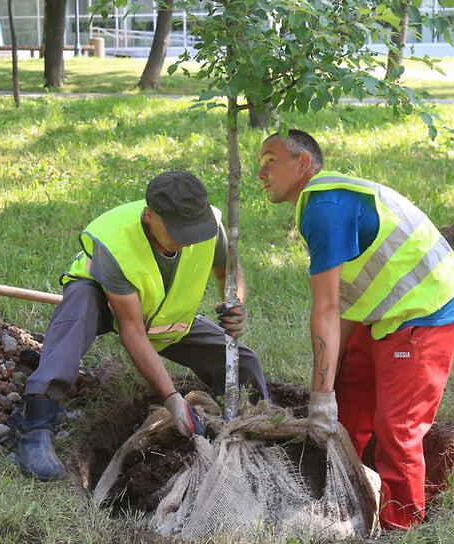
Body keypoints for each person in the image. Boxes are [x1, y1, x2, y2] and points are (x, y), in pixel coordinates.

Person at [257, 130, 454, 530]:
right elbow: (346, 297)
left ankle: (401, 526)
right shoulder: (321, 203)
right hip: (383, 312)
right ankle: (341, 497)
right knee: (350, 400)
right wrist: (330, 381)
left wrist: (319, 395)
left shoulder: (325, 208)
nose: (260, 172)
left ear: (303, 163)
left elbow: (326, 307)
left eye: (271, 160)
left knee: (397, 430)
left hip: (426, 312)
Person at [17, 170, 270, 481]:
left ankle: (256, 430)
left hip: (165, 317)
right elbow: (133, 332)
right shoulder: (116, 243)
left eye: (193, 231)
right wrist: (172, 397)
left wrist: (236, 302)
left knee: (244, 361)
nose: (187, 240)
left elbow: (227, 271)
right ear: (150, 216)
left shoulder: (209, 227)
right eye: (179, 231)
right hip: (105, 301)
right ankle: (36, 421)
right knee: (79, 306)